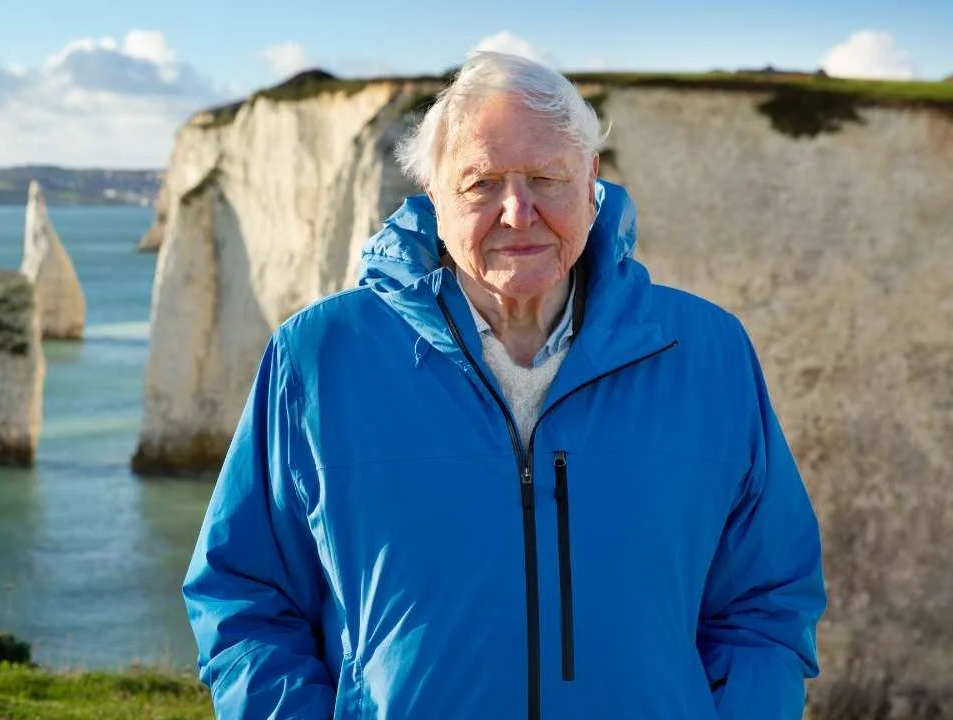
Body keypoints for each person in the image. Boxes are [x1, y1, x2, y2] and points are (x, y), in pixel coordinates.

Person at [182, 50, 827, 719]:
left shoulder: (707, 353)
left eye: (546, 179)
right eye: (482, 184)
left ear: (591, 181)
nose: (518, 212)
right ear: (434, 196)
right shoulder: (319, 356)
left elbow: (765, 600)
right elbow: (244, 595)